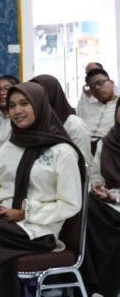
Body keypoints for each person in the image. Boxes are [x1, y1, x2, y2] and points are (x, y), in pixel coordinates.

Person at [0, 82, 83, 297]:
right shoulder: (10, 147)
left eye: (24, 104)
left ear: (39, 106)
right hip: (6, 220)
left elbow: (70, 204)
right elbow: (0, 185)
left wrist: (24, 213)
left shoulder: (62, 152)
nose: (17, 110)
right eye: (12, 106)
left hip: (38, 229)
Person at [81, 102, 120, 297]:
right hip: (107, 203)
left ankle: (104, 286)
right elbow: (95, 174)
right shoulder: (107, 142)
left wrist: (114, 196)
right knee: (84, 209)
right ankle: (89, 283)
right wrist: (97, 186)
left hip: (116, 202)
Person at [30, 74, 92, 165]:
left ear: (52, 94)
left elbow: (83, 162)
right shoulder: (34, 122)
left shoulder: (75, 125)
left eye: (39, 94)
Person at [77, 68, 119, 152]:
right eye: (92, 86)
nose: (97, 88)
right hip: (83, 146)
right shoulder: (87, 107)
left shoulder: (118, 107)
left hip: (109, 148)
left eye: (100, 83)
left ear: (112, 83)